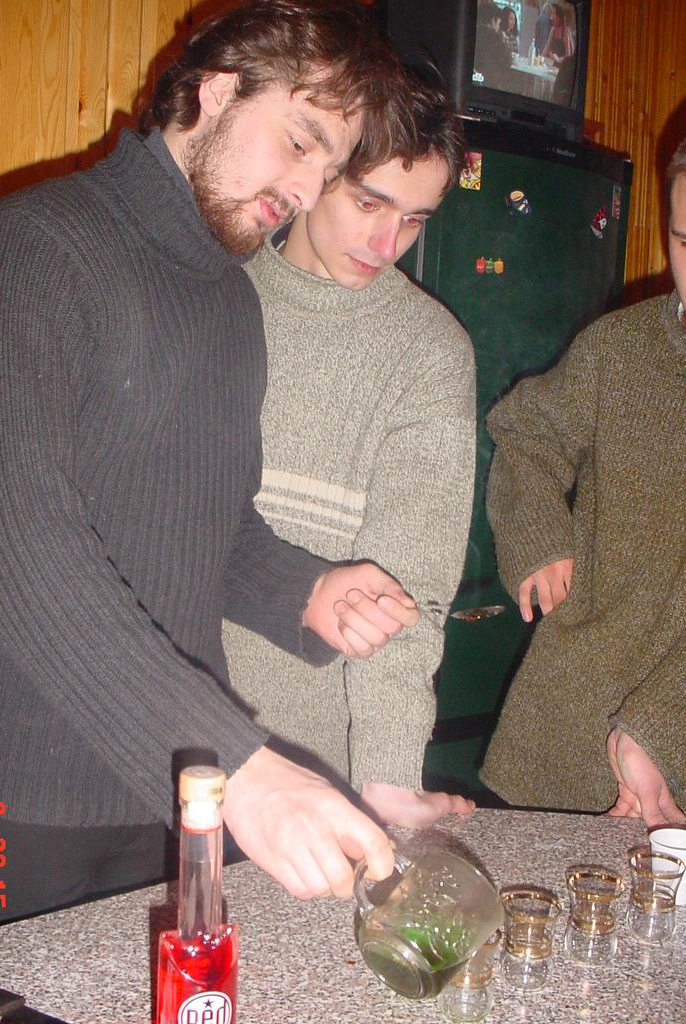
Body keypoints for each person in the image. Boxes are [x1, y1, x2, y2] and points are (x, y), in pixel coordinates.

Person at [0, 0, 421, 942]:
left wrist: (303, 590)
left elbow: (210, 523)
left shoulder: (231, 304)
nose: (305, 191)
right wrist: (245, 769)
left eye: (326, 171)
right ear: (215, 91)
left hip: (162, 792)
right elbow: (14, 552)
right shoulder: (30, 249)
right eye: (299, 142)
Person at [223, 71, 477, 828]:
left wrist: (388, 775)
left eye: (414, 219)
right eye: (370, 203)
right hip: (155, 738)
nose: (387, 245)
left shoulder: (429, 353)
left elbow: (410, 586)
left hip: (311, 773)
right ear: (317, 171)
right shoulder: (214, 294)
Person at [480, 136, 686, 829]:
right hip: (566, 732)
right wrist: (538, 531)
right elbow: (526, 432)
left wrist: (658, 728)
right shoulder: (619, 349)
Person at [473, 2, 514, 92]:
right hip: (490, 86)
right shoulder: (495, 38)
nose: (499, 27)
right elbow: (508, 61)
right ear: (493, 20)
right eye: (499, 23)